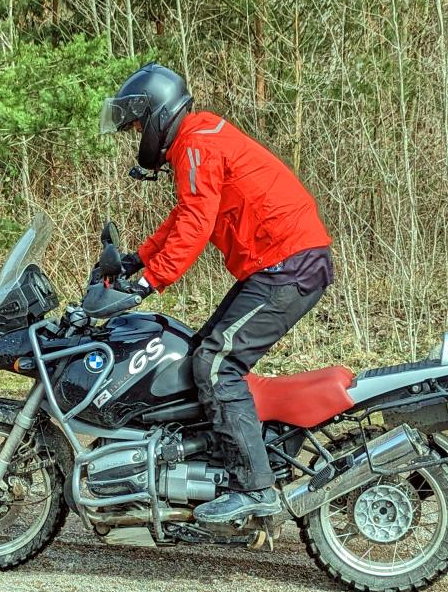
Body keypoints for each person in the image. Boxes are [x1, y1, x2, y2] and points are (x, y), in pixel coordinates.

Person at [99, 63, 333, 524]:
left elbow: (195, 225)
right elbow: (185, 214)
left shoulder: (197, 144)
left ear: (158, 114)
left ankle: (255, 488)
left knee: (216, 363)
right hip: (279, 263)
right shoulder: (198, 137)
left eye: (139, 126)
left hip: (288, 265)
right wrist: (137, 260)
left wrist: (148, 282)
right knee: (199, 352)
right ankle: (215, 459)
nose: (139, 135)